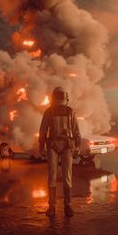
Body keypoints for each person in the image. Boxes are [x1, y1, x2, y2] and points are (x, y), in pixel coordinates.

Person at [38, 87, 81, 217]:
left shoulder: (58, 111)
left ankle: (59, 206)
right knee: (63, 176)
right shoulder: (52, 112)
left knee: (55, 176)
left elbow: (75, 130)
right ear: (66, 98)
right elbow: (43, 130)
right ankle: (59, 206)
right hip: (58, 145)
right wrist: (77, 145)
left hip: (61, 145)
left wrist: (41, 146)